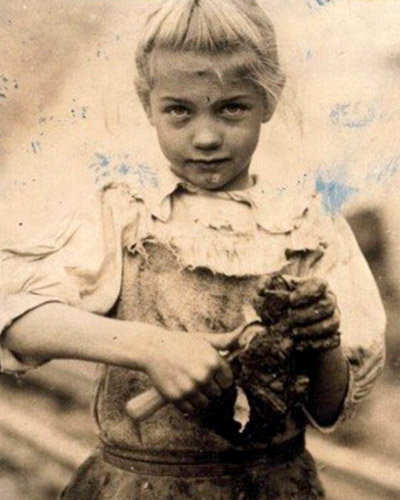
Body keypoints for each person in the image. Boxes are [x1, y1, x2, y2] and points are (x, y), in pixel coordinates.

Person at [0, 0, 386, 499]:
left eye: (232, 108)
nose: (206, 137)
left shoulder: (308, 227)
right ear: (148, 103)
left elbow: (331, 407)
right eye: (179, 110)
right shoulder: (125, 214)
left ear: (269, 100)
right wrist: (151, 346)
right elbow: (16, 319)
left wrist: (323, 340)